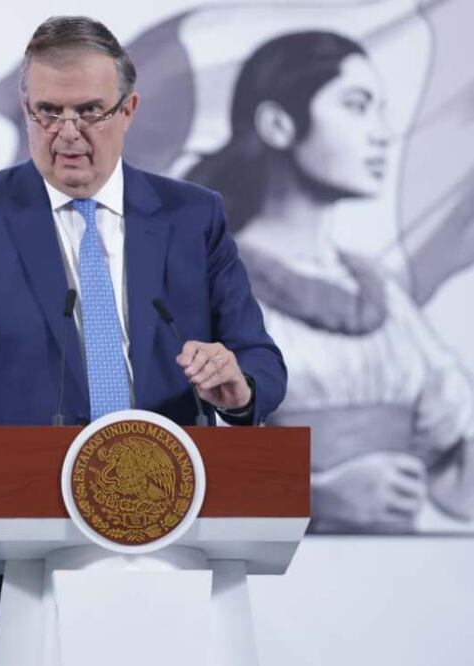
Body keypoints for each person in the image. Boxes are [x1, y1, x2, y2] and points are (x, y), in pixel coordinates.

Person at [0, 16, 286, 666]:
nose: (66, 133)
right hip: (21, 552)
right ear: (25, 108)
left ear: (128, 109)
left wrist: (237, 386)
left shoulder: (193, 216)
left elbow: (258, 362)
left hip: (175, 548)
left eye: (88, 112)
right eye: (46, 112)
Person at [185, 31, 474, 534]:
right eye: (357, 106)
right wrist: (315, 495)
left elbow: (453, 470)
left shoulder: (379, 292)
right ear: (278, 124)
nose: (382, 133)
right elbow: (168, 454)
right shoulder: (209, 280)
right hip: (274, 577)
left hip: (398, 580)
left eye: (381, 110)